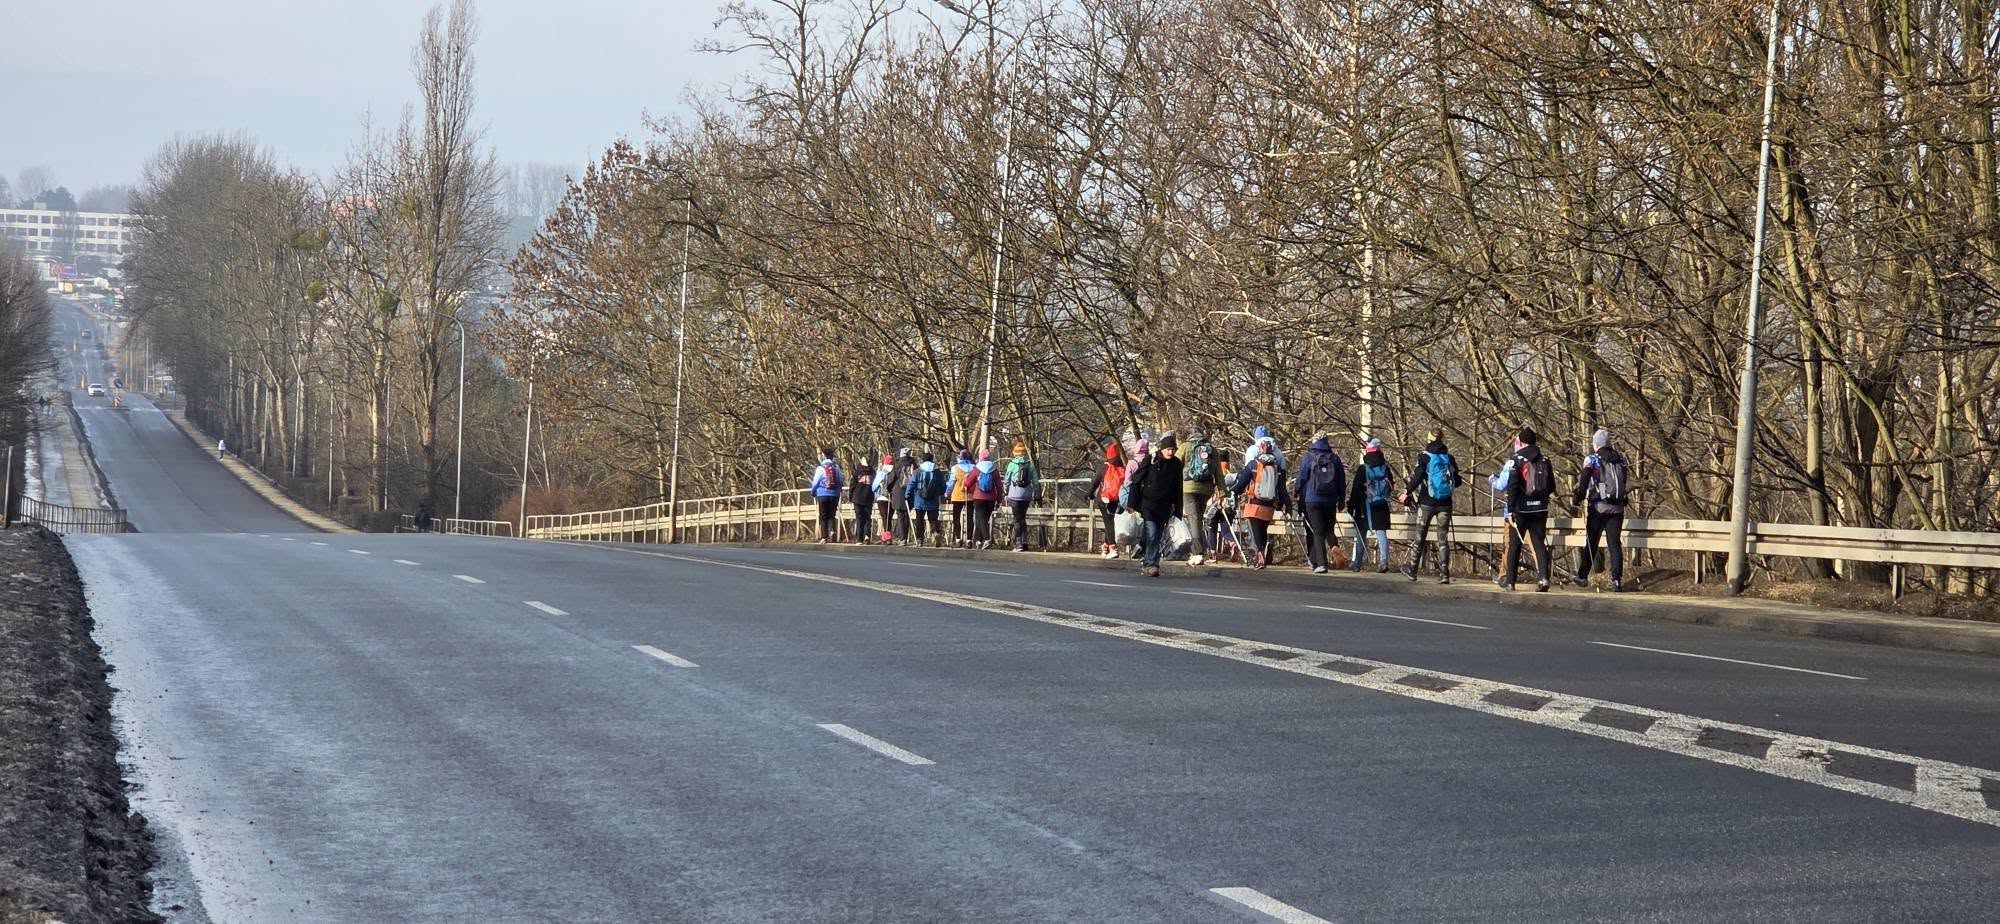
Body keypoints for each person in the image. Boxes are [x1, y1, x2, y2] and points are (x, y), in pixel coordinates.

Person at [1572, 428, 1630, 591]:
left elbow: (1584, 480)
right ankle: (1617, 580)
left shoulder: (1592, 459)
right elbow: (1624, 480)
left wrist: (1579, 497)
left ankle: (1582, 576)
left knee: (1592, 542)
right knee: (1614, 544)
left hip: (1598, 507)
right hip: (1617, 508)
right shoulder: (1620, 459)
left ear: (1596, 444)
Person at [1401, 430, 1463, 583]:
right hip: (1445, 503)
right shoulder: (1449, 458)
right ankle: (1444, 574)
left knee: (1420, 537)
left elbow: (1418, 477)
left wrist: (1406, 491)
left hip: (1427, 503)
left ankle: (1413, 571)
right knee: (1442, 539)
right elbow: (1458, 481)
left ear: (1429, 439)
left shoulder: (1424, 457)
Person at [1499, 427, 1556, 591]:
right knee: (1539, 543)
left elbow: (1513, 486)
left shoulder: (1516, 459)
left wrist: (1510, 510)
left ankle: (1510, 581)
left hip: (1521, 509)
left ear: (1521, 442)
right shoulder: (1545, 459)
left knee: (1515, 544)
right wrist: (1542, 498)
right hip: (1540, 509)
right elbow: (1551, 485)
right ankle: (1544, 579)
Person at [1128, 434, 1184, 576]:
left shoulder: (1177, 464)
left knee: (1156, 536)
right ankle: (1151, 564)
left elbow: (1178, 488)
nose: (1170, 452)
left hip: (1165, 507)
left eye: (1173, 449)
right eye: (1168, 449)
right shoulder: (1151, 460)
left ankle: (1146, 556)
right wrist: (1132, 503)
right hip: (1148, 505)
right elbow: (1136, 480)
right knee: (1152, 534)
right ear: (1162, 449)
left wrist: (1178, 510)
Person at [1231, 435, 1288, 569]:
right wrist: (1286, 503)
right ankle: (1261, 554)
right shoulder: (1277, 467)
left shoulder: (1253, 464)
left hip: (1254, 503)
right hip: (1269, 505)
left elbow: (1241, 483)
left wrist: (1234, 492)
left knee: (1256, 530)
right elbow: (1281, 488)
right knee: (1263, 530)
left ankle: (1260, 554)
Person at [1293, 434, 1346, 574]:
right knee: (1328, 529)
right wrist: (1341, 499)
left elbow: (1302, 477)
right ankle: (1334, 545)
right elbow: (1341, 481)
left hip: (1312, 499)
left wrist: (1297, 491)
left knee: (1317, 532)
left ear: (1314, 442)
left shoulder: (1309, 457)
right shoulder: (1334, 459)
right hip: (1330, 499)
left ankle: (1321, 564)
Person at [1346, 438, 1397, 573]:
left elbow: (1356, 489)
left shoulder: (1363, 469)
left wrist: (1351, 506)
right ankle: (1383, 562)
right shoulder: (1385, 467)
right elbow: (1391, 486)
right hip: (1381, 503)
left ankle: (1357, 562)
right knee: (1381, 532)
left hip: (1365, 505)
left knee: (1361, 532)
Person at [1181, 433, 1221, 565]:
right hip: (1206, 489)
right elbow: (1218, 473)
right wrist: (1222, 491)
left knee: (1193, 519)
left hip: (1188, 488)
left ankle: (1197, 553)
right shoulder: (1212, 450)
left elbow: (1175, 465)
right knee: (1198, 518)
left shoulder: (1185, 446)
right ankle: (1199, 550)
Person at [1088, 442, 1126, 559]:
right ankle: (1105, 546)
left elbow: (1095, 482)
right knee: (1109, 521)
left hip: (1104, 499)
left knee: (1108, 522)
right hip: (1115, 499)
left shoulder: (1105, 467)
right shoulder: (1121, 467)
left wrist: (1089, 494)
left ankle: (1113, 548)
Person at [1003, 441, 1039, 552]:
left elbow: (1007, 480)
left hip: (1014, 495)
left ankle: (1018, 544)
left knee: (1017, 519)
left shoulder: (1012, 465)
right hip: (1027, 495)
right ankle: (1024, 542)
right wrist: (1036, 493)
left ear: (1015, 453)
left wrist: (1005, 492)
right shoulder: (1030, 465)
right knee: (1022, 518)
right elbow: (1036, 481)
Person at [907, 451, 946, 546]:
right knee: (933, 519)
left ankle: (920, 539)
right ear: (932, 460)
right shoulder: (937, 472)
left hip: (919, 500)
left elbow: (912, 484)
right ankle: (936, 532)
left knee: (919, 520)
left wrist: (907, 494)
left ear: (923, 460)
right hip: (933, 500)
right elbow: (943, 485)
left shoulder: (918, 471)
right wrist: (940, 493)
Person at [1122, 438, 1151, 559]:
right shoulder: (1150, 461)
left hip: (1134, 495)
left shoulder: (1132, 462)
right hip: (1147, 495)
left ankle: (1137, 544)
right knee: (1147, 521)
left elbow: (1127, 481)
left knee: (1135, 520)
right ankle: (1143, 544)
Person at [968, 449, 1002, 548]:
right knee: (982, 519)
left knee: (981, 519)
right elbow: (999, 485)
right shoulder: (994, 469)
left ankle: (987, 539)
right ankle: (978, 541)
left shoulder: (977, 468)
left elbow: (968, 482)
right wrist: (999, 499)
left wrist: (967, 484)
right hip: (991, 499)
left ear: (981, 457)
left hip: (978, 498)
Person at [809, 449, 843, 543]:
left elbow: (816, 481)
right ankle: (832, 530)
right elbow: (840, 479)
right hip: (834, 494)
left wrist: (813, 491)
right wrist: (838, 490)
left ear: (824, 457)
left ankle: (824, 537)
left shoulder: (820, 468)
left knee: (823, 516)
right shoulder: (836, 467)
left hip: (822, 494)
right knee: (832, 514)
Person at [885, 449, 915, 544]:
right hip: (910, 492)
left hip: (898, 493)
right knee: (907, 515)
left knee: (900, 516)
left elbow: (890, 480)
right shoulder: (914, 464)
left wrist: (889, 489)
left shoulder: (897, 465)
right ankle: (905, 537)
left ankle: (902, 538)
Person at [948, 449, 976, 546]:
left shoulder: (955, 468)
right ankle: (969, 539)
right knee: (970, 517)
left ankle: (958, 539)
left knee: (956, 517)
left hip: (957, 495)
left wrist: (947, 492)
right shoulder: (974, 467)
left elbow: (952, 482)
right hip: (970, 495)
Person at [849, 456, 876, 544]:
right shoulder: (873, 473)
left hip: (857, 497)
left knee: (859, 518)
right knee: (867, 517)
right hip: (869, 497)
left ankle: (859, 538)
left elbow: (852, 485)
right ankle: (867, 535)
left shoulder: (857, 472)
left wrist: (851, 497)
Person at [874, 453, 897, 542]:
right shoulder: (895, 471)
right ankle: (887, 536)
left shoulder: (881, 471)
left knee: (884, 518)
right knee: (889, 518)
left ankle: (887, 537)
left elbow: (874, 486)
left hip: (881, 497)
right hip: (892, 497)